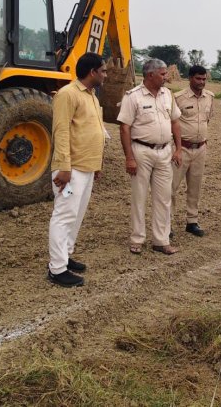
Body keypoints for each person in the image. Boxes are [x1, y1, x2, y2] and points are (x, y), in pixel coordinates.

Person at [46, 53, 108, 287]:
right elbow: (60, 131)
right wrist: (64, 166)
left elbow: (94, 130)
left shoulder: (91, 96)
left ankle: (65, 256)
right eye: (103, 71)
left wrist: (97, 164)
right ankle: (57, 269)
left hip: (87, 167)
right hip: (70, 169)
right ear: (92, 72)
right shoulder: (67, 94)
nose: (105, 75)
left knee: (76, 216)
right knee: (64, 216)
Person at [118, 58, 182, 255]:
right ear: (149, 75)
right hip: (141, 151)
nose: (166, 77)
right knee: (139, 197)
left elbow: (175, 122)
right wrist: (129, 157)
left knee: (163, 198)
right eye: (162, 74)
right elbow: (124, 128)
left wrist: (178, 148)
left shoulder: (167, 95)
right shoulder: (133, 96)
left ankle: (161, 240)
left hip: (164, 152)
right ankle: (137, 238)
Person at [172, 65, 214, 238]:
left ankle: (192, 221)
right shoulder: (178, 98)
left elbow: (207, 121)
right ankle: (166, 225)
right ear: (190, 78)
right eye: (198, 78)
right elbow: (172, 124)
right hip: (182, 149)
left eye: (204, 79)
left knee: (195, 187)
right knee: (171, 187)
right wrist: (177, 148)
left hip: (200, 149)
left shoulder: (209, 97)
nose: (201, 82)